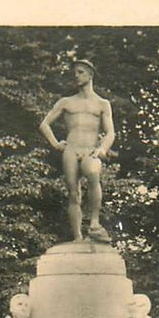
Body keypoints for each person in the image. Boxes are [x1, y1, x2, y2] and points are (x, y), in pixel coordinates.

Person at [39, 59, 116, 243]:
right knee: (73, 193)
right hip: (71, 150)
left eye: (80, 72)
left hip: (91, 151)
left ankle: (95, 223)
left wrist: (102, 149)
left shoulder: (102, 103)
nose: (76, 75)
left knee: (92, 172)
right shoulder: (66, 102)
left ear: (90, 74)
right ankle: (78, 237)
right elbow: (44, 124)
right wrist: (56, 143)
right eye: (75, 72)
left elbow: (111, 132)